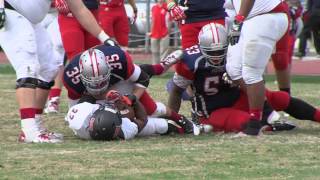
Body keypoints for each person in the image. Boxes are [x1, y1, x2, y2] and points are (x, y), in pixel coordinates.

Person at [168, 23, 320, 135]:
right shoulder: (191, 61)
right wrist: (172, 120)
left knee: (281, 98)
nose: (216, 57)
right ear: (201, 48)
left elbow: (256, 81)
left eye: (220, 51)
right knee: (246, 122)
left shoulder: (235, 51)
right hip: (214, 112)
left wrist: (238, 80)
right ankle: (270, 126)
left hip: (239, 96)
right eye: (211, 53)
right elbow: (175, 91)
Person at [0, 0, 119, 143]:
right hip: (11, 12)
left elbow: (80, 9)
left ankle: (35, 124)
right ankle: (29, 129)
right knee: (27, 68)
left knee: (50, 68)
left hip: (31, 20)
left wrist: (104, 38)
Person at [63, 45, 198, 134]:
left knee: (152, 109)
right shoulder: (71, 77)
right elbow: (74, 113)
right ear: (80, 75)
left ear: (109, 68)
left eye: (101, 81)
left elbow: (143, 78)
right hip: (90, 94)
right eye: (94, 83)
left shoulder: (119, 61)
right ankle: (168, 126)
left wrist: (131, 99)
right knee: (118, 120)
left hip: (120, 81)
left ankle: (181, 119)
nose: (98, 87)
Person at [226, 0, 289, 135]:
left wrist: (238, 20)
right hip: (249, 19)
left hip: (265, 17)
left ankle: (254, 125)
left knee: (251, 73)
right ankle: (268, 113)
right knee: (234, 70)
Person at [149, 0, 171, 64]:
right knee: (154, 51)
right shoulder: (154, 7)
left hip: (164, 33)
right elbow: (152, 20)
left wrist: (168, 31)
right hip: (154, 33)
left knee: (163, 51)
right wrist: (151, 31)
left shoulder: (167, 7)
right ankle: (155, 66)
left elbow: (169, 20)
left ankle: (162, 66)